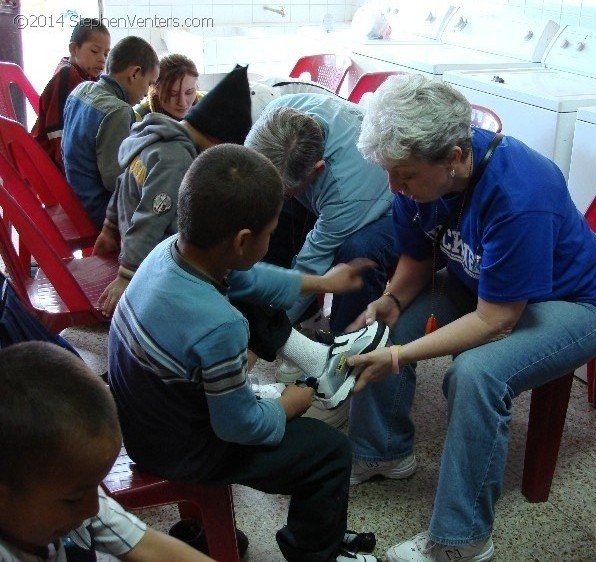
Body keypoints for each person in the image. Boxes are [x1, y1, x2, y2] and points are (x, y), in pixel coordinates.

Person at [344, 74, 596, 562]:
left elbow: (496, 320)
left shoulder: (519, 190)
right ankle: (382, 451)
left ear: (453, 156)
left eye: (403, 174)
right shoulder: (416, 180)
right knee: (382, 326)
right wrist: (390, 300)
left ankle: (462, 539)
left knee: (475, 374)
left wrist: (400, 355)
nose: (393, 187)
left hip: (571, 304)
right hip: (482, 286)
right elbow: (418, 261)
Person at [107, 144, 386, 562]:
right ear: (242, 240)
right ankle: (314, 552)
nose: (272, 238)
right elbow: (241, 427)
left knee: (243, 291)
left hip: (144, 418)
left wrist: (323, 284)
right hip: (181, 448)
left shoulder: (169, 253)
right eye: (271, 232)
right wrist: (291, 405)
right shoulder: (220, 325)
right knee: (329, 452)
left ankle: (319, 361)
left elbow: (250, 278)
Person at [0, 341, 215, 562]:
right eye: (73, 499)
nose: (93, 508)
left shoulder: (71, 497)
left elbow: (149, 546)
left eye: (96, 486)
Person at [94, 64, 253, 317]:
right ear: (218, 141)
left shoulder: (156, 134)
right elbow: (151, 217)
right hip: (154, 258)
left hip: (128, 236)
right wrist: (127, 276)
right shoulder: (176, 159)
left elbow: (124, 183)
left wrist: (110, 227)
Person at [245, 93, 397, 337]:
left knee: (357, 251)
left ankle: (344, 345)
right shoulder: (276, 114)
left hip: (391, 206)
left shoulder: (347, 190)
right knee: (267, 222)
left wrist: (265, 340)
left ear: (317, 171)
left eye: (284, 191)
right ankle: (260, 314)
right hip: (330, 190)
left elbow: (312, 264)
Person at [63, 35, 159, 229]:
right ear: (134, 73)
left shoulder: (80, 90)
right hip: (97, 209)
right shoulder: (118, 111)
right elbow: (116, 181)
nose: (147, 93)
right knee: (167, 212)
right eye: (149, 83)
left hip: (73, 196)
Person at [31, 18, 110, 172]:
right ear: (74, 49)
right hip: (49, 162)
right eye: (95, 51)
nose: (102, 59)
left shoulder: (88, 76)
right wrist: (72, 171)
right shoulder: (66, 75)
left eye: (106, 54)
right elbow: (57, 130)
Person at [133, 53, 202, 121]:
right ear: (155, 87)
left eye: (189, 92)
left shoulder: (208, 104)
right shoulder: (137, 118)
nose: (182, 103)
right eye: (172, 94)